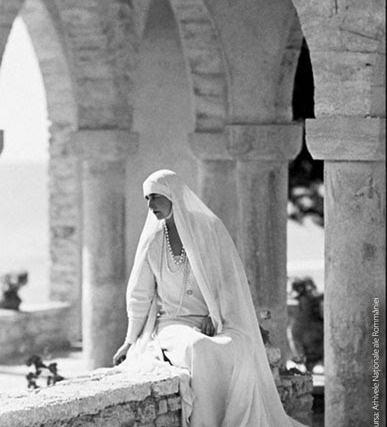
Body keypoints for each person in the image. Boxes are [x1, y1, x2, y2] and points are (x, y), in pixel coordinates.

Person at [113, 169, 307, 427]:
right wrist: (129, 341)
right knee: (199, 348)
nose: (150, 205)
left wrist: (212, 315)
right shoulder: (153, 240)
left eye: (156, 197)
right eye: (147, 198)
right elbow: (140, 294)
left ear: (173, 195)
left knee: (239, 347)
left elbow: (228, 282)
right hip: (172, 324)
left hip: (212, 319)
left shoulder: (207, 231)